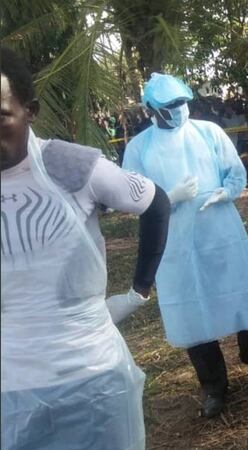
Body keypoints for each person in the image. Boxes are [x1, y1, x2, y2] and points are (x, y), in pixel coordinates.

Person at [1, 47, 171, 450]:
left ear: (31, 111)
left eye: (0, 117)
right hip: (10, 386)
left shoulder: (71, 166)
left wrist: (139, 289)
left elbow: (156, 203)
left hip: (91, 376)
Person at [122, 73, 248, 419]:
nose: (178, 110)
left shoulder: (209, 132)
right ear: (151, 110)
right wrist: (167, 198)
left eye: (181, 102)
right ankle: (213, 385)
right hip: (175, 241)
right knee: (192, 310)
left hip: (220, 230)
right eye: (169, 106)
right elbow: (131, 197)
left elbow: (235, 173)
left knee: (238, 293)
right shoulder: (139, 148)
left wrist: (226, 192)